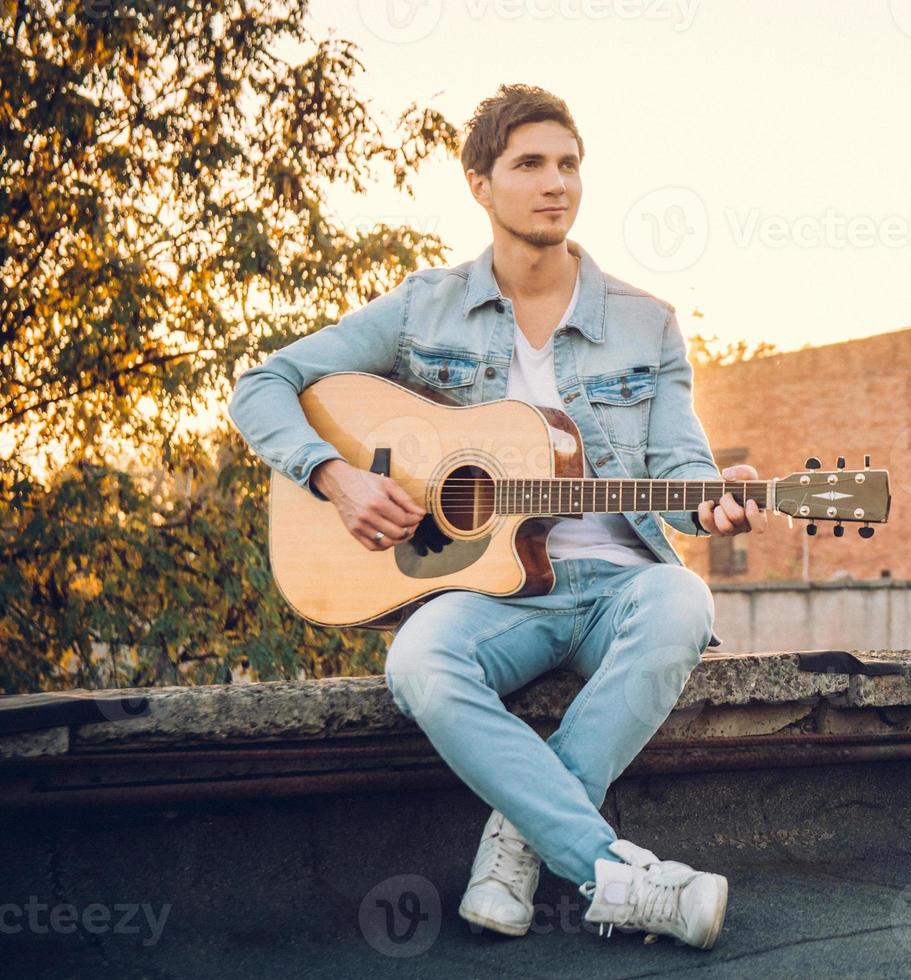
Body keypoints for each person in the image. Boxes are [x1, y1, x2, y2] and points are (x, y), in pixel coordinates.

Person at [225, 83, 766, 950]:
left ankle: (524, 835)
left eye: (569, 165)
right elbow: (262, 386)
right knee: (420, 662)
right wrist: (336, 477)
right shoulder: (422, 308)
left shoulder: (646, 325)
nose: (556, 183)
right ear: (480, 182)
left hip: (617, 587)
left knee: (685, 603)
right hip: (493, 596)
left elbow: (681, 472)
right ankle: (614, 872)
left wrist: (715, 497)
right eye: (530, 165)